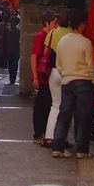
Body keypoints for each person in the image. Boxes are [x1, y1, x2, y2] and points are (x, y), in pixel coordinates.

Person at [51, 8, 94, 159]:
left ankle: (57, 147)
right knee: (83, 116)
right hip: (83, 81)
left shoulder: (62, 41)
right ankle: (82, 150)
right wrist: (93, 79)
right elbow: (91, 65)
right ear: (82, 25)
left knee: (64, 114)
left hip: (67, 81)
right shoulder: (86, 42)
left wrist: (65, 74)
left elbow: (58, 64)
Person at [30, 10, 59, 144]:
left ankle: (44, 132)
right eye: (54, 22)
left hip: (47, 76)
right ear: (47, 23)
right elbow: (34, 56)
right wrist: (35, 77)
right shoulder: (41, 36)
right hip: (42, 77)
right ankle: (38, 133)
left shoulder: (51, 36)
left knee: (47, 105)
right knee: (41, 105)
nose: (56, 25)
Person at [43, 10, 70, 146]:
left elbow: (45, 53)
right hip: (67, 72)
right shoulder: (73, 34)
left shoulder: (52, 33)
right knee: (66, 107)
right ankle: (61, 138)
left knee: (55, 105)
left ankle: (49, 136)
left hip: (53, 71)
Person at [4, 15, 21, 85]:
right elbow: (4, 41)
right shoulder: (7, 31)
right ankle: (11, 78)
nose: (13, 23)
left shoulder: (18, 31)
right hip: (9, 50)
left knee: (14, 65)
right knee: (10, 65)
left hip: (15, 51)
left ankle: (13, 78)